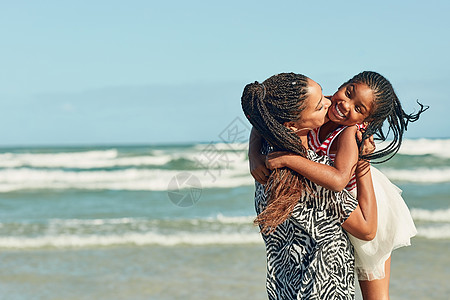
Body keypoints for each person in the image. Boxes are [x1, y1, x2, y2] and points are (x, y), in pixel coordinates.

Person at [249, 71, 427, 300]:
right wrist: (253, 154)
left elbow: (339, 180)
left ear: (366, 121)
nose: (345, 104)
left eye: (359, 108)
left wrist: (288, 159)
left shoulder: (349, 133)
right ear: (345, 83)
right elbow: (266, 116)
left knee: (375, 291)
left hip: (360, 196)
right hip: (332, 192)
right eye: (349, 92)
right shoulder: (325, 103)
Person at [241, 72, 378, 300]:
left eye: (323, 95)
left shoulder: (265, 159)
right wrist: (363, 163)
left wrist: (253, 152)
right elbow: (367, 229)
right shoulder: (315, 173)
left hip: (283, 284)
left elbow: (264, 118)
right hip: (326, 284)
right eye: (318, 106)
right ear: (292, 124)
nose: (329, 103)